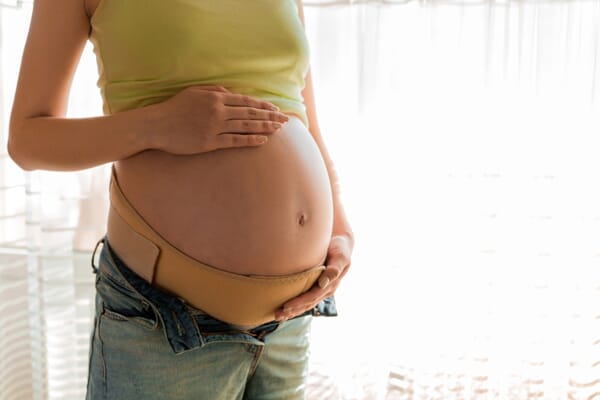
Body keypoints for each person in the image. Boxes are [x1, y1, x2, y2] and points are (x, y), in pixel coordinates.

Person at [7, 0, 354, 398]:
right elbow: (27, 139)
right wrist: (157, 126)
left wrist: (339, 228)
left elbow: (301, 116)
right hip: (165, 321)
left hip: (290, 318)